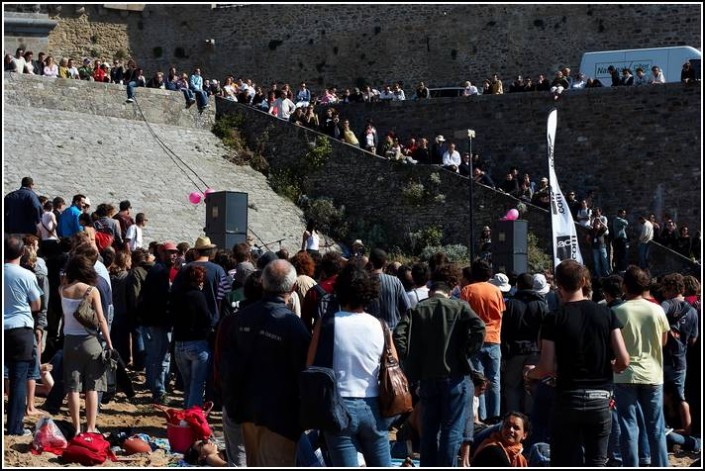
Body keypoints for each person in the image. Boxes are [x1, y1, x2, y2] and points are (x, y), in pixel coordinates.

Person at [525, 260, 630, 466]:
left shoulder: (554, 318)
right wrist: (606, 366)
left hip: (568, 397)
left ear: (558, 285)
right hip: (600, 398)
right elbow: (624, 360)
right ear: (583, 281)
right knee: (597, 461)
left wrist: (529, 374)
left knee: (564, 460)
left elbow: (546, 366)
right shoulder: (606, 313)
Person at [394, 263, 486, 467]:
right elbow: (479, 328)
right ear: (452, 286)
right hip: (454, 377)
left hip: (427, 377)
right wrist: (466, 352)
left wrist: (411, 360)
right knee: (451, 432)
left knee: (429, 432)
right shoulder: (460, 306)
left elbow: (398, 335)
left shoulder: (417, 309)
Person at [223, 260, 311, 467]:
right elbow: (304, 371)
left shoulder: (240, 318)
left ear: (263, 283)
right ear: (292, 287)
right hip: (279, 418)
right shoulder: (292, 324)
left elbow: (228, 364)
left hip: (246, 411)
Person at [312, 264, 391, 467]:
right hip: (374, 406)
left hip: (338, 406)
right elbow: (394, 365)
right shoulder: (381, 326)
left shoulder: (327, 323)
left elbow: (310, 365)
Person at [611, 265, 670, 467]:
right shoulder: (657, 309)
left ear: (625, 286)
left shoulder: (617, 311)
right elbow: (663, 341)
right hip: (653, 374)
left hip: (625, 375)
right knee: (656, 427)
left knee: (628, 427)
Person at [61, 252, 113, 436]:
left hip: (70, 343)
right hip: (91, 342)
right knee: (93, 387)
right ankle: (90, 428)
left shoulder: (63, 289)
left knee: (73, 388)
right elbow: (102, 320)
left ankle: (75, 429)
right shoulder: (92, 291)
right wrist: (109, 343)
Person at [4, 235, 43, 436]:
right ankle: (14, 427)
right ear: (22, 253)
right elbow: (37, 305)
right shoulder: (27, 275)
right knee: (18, 379)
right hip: (20, 328)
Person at [461, 260, 505, 421]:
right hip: (495, 338)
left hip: (475, 340)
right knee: (494, 380)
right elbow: (501, 312)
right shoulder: (496, 291)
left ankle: (481, 417)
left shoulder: (467, 290)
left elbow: (463, 316)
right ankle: (496, 416)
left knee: (478, 381)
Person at [171, 265, 211, 409]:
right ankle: (191, 418)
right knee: (197, 385)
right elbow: (207, 318)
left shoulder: (177, 295)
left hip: (180, 344)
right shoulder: (198, 296)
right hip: (197, 344)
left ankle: (187, 414)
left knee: (188, 384)